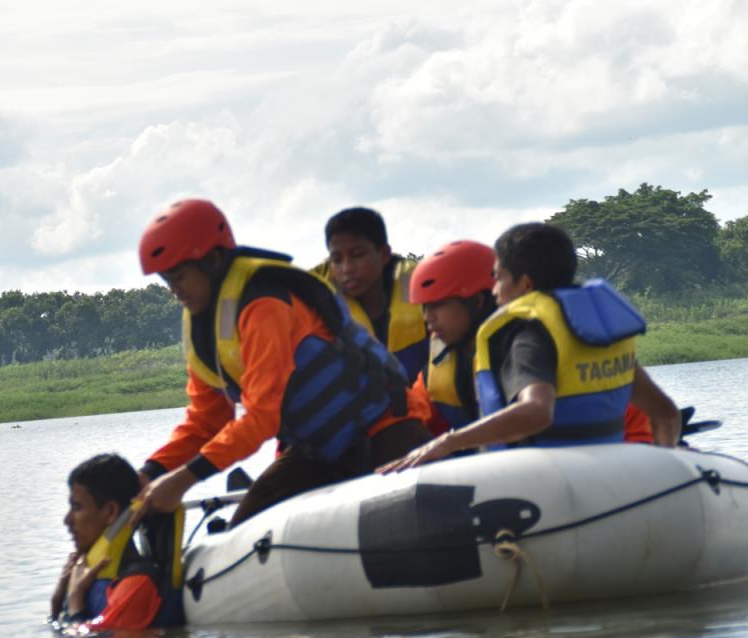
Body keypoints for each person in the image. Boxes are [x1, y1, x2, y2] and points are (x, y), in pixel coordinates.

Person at [132, 198, 431, 527]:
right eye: (166, 280)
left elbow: (263, 417)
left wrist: (185, 478)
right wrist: (152, 472)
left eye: (179, 276)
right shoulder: (204, 332)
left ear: (213, 261)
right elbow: (205, 422)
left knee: (402, 525)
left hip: (385, 426)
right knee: (245, 529)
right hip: (318, 449)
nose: (174, 290)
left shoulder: (264, 305)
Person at [381, 222, 680, 472]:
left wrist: (447, 442)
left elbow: (537, 411)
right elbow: (666, 413)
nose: (495, 289)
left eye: (498, 278)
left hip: (549, 481)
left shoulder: (526, 335)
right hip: (619, 474)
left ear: (524, 285)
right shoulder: (597, 332)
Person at [50, 453, 180, 631]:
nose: (67, 520)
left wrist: (75, 598)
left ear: (110, 512)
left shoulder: (138, 583)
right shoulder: (84, 576)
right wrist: (57, 601)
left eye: (77, 507)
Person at [311, 207, 429, 383]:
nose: (347, 268)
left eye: (358, 255)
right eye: (337, 260)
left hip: (424, 404)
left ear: (384, 254)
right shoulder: (314, 300)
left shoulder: (425, 289)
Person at [405, 240, 498, 436]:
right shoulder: (436, 367)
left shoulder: (520, 349)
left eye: (438, 305)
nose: (427, 317)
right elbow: (415, 426)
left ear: (477, 301)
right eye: (425, 307)